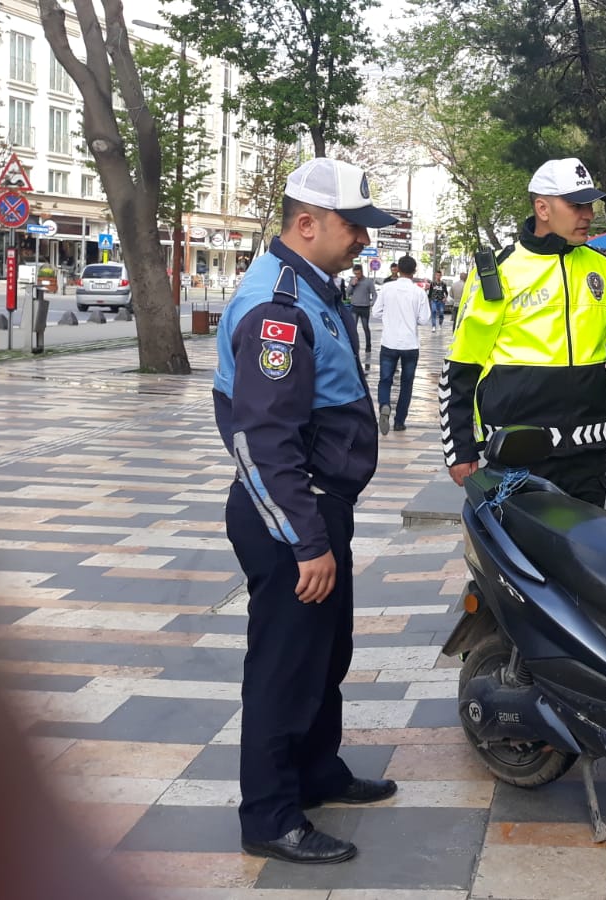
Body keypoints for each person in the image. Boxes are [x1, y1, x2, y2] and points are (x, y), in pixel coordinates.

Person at [211, 157, 398, 865]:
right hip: (292, 517)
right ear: (308, 223)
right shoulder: (278, 308)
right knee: (285, 668)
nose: (363, 240)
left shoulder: (313, 288)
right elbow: (263, 441)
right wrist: (305, 541)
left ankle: (318, 772)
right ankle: (269, 815)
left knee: (325, 653)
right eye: (355, 226)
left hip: (318, 509)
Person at [440, 157, 606, 506]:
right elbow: (461, 366)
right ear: (542, 208)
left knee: (585, 541)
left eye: (591, 205)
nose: (588, 215)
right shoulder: (499, 271)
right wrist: (460, 449)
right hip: (517, 451)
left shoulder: (604, 268)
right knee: (520, 543)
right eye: (577, 206)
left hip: (588, 450)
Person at [372, 255, 430, 433]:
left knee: (385, 379)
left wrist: (390, 316)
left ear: (397, 269)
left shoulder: (387, 288)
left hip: (389, 342)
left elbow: (375, 312)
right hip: (410, 344)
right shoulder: (419, 292)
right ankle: (399, 421)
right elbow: (424, 319)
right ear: (414, 271)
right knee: (406, 383)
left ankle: (384, 404)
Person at [348, 266, 375, 357]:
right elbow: (348, 292)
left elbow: (374, 293)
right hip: (354, 307)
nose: (357, 275)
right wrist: (352, 285)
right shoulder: (352, 280)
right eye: (355, 273)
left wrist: (372, 303)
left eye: (358, 273)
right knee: (353, 328)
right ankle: (354, 346)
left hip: (365, 307)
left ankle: (368, 346)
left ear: (362, 272)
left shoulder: (368, 281)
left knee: (365, 327)